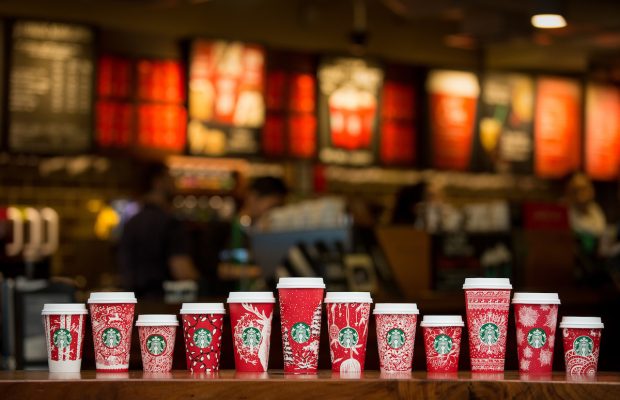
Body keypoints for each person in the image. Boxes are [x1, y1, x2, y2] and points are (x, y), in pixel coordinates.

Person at [119, 162, 199, 298]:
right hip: (164, 303)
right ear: (158, 181)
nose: (174, 183)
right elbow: (181, 270)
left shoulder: (131, 223)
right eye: (170, 178)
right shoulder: (170, 222)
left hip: (135, 303)